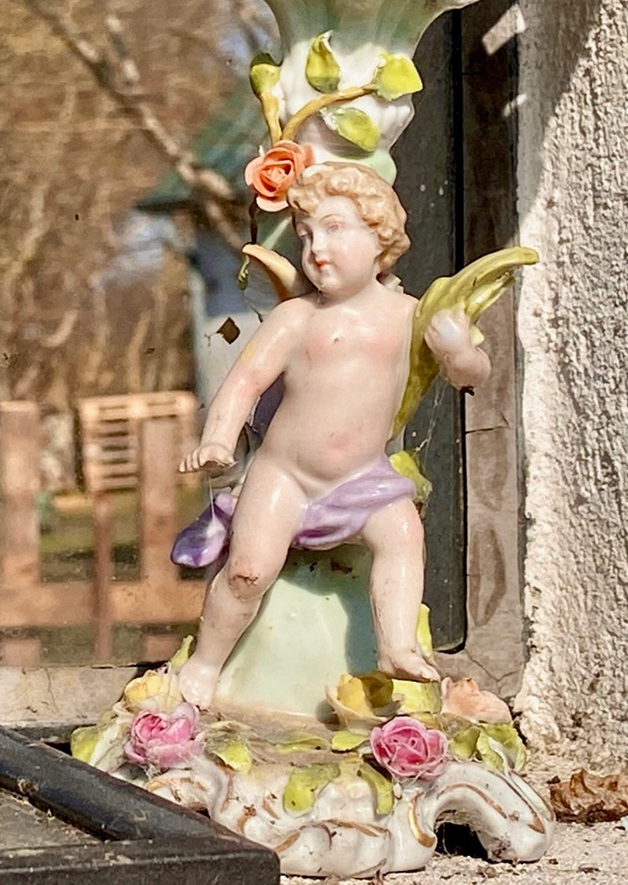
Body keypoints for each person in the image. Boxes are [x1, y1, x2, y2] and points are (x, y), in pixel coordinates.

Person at [172, 161, 490, 709]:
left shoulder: (410, 316)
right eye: (305, 236)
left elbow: (472, 377)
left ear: (379, 236)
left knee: (402, 534)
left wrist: (459, 351)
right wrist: (218, 440)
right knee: (246, 572)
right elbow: (245, 381)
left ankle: (396, 646)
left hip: (361, 480)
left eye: (335, 229)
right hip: (285, 475)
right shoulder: (295, 318)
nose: (317, 249)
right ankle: (206, 663)